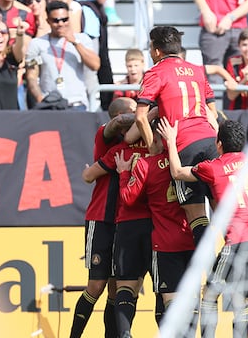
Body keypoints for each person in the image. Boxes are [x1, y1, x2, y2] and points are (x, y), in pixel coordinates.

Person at [157, 118, 248, 338]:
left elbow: (177, 173)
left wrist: (171, 141)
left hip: (239, 242)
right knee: (241, 297)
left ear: (218, 144)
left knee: (210, 294)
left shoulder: (213, 167)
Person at [131, 26, 219, 246]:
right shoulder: (197, 70)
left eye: (151, 47)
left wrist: (153, 146)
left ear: (157, 50)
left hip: (183, 145)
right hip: (210, 140)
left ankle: (210, 270)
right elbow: (213, 112)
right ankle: (230, 266)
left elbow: (140, 117)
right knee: (220, 208)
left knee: (196, 213)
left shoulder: (156, 72)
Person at [114, 129, 195, 332]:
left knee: (140, 289)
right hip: (191, 236)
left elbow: (127, 197)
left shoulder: (146, 164)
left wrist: (124, 173)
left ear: (158, 138)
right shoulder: (191, 161)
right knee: (187, 296)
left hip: (163, 240)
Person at [73, 97, 139, 338]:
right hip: (101, 219)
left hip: (124, 222)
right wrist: (146, 115)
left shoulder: (137, 143)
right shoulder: (106, 137)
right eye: (132, 110)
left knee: (115, 290)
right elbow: (119, 121)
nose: (137, 113)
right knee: (96, 286)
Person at [24, 0, 100, 110]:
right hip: (50, 104)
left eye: (64, 20)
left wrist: (75, 42)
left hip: (76, 103)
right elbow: (31, 77)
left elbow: (95, 65)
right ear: (48, 21)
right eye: (56, 20)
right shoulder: (37, 43)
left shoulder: (82, 39)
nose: (61, 24)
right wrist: (40, 98)